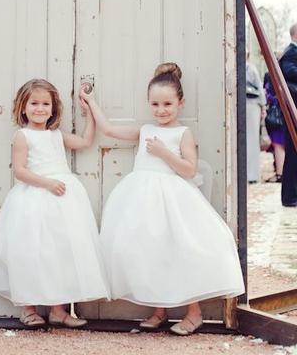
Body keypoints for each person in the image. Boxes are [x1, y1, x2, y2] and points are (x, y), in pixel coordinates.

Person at [81, 63, 244, 336]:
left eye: (167, 104)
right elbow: (108, 129)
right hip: (142, 200)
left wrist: (163, 152)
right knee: (150, 252)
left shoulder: (182, 133)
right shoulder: (145, 129)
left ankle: (194, 313)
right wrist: (90, 102)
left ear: (181, 103)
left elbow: (189, 169)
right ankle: (159, 310)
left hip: (173, 200)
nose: (161, 110)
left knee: (180, 251)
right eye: (155, 104)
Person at [0, 78, 109, 327]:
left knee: (60, 252)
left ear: (53, 109)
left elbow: (85, 142)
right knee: (31, 252)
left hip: (63, 202)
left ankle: (58, 310)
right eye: (34, 103)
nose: (40, 109)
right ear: (23, 107)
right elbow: (20, 171)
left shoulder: (56, 135)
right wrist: (47, 183)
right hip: (34, 200)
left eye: (45, 104)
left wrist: (89, 113)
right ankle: (28, 308)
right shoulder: (23, 136)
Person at [279, 24, 297, 207]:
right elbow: (290, 72)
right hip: (292, 111)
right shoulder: (291, 53)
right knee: (292, 153)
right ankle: (289, 197)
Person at [245, 55, 266, 183]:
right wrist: (263, 106)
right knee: (251, 140)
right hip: (251, 106)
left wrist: (263, 106)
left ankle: (250, 174)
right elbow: (260, 89)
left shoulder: (249, 69)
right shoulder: (250, 68)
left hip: (249, 105)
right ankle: (251, 174)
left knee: (250, 140)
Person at [263, 70, 285, 183]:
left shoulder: (271, 76)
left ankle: (280, 174)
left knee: (278, 145)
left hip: (277, 116)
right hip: (280, 115)